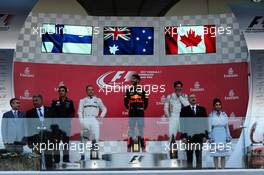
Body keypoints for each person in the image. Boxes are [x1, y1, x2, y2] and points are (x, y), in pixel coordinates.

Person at [26, 94, 54, 169]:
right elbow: (28, 128)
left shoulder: (51, 110)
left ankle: (50, 173)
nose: (34, 102)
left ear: (41, 100)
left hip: (48, 139)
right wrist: (29, 141)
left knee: (49, 158)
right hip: (35, 139)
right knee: (36, 159)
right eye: (33, 101)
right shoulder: (29, 113)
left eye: (36, 100)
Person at [180, 94, 208, 169]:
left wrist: (205, 136)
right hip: (188, 138)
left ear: (196, 99)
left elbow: (205, 123)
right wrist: (183, 137)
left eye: (194, 97)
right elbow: (182, 124)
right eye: (191, 97)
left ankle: (199, 173)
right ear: (188, 99)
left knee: (199, 158)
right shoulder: (184, 110)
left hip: (199, 137)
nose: (193, 99)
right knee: (189, 159)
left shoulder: (202, 109)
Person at [124, 74, 148, 151]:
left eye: (134, 79)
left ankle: (143, 147)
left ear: (138, 80)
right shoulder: (128, 90)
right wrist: (129, 108)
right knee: (131, 129)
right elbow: (125, 101)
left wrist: (142, 108)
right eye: (132, 79)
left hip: (140, 111)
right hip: (132, 111)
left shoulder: (143, 90)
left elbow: (146, 101)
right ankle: (129, 147)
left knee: (141, 129)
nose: (132, 80)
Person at [51, 85, 75, 163]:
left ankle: (66, 160)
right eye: (60, 91)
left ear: (66, 92)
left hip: (66, 125)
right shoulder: (55, 102)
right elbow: (53, 114)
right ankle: (56, 160)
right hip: (57, 126)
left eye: (63, 91)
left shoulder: (70, 102)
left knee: (66, 144)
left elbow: (72, 112)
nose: (61, 92)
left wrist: (67, 121)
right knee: (56, 143)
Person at [208, 98, 232, 169]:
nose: (218, 106)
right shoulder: (211, 115)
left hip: (223, 135)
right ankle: (216, 169)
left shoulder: (224, 115)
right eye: (216, 105)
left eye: (219, 105)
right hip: (215, 135)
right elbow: (209, 127)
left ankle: (223, 170)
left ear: (221, 106)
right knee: (215, 155)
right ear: (214, 106)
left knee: (223, 155)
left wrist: (228, 136)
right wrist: (210, 137)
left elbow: (227, 127)